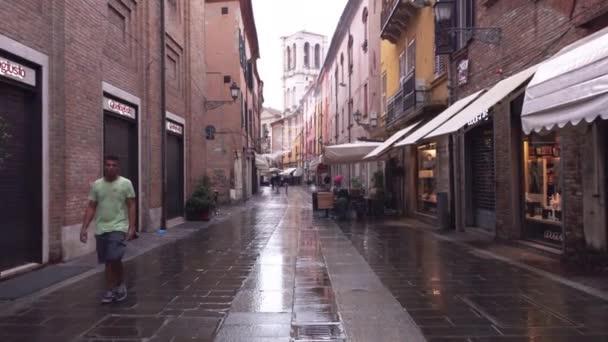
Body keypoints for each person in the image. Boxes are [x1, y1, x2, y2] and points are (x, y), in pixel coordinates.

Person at [80, 155, 136, 304]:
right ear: (104, 166)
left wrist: (131, 226)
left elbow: (131, 205)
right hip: (101, 227)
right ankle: (112, 288)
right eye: (108, 165)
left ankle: (118, 286)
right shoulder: (97, 185)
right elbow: (91, 206)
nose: (110, 167)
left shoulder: (126, 183)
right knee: (108, 260)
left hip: (119, 226)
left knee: (113, 257)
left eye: (114, 165)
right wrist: (84, 227)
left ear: (118, 167)